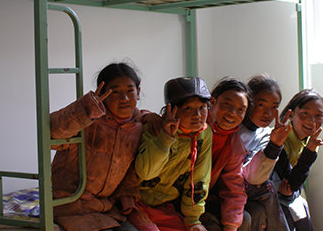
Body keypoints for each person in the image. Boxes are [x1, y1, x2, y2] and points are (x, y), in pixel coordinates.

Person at [50, 62, 160, 231]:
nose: (124, 98)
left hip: (106, 208)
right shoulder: (88, 120)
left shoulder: (139, 125)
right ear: (102, 94)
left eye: (130, 91)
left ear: (138, 92)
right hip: (67, 205)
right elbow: (52, 132)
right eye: (114, 92)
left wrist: (148, 115)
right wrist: (86, 108)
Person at [128, 77, 213, 231]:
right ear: (171, 109)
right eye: (188, 108)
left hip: (165, 206)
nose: (198, 114)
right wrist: (165, 138)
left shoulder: (204, 135)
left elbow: (200, 178)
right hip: (136, 202)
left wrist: (193, 220)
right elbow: (146, 173)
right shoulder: (155, 128)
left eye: (202, 107)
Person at [237, 74, 292, 231]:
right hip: (226, 187)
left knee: (258, 210)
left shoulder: (267, 134)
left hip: (247, 189)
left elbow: (254, 177)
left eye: (274, 107)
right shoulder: (233, 126)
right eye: (261, 105)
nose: (268, 113)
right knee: (267, 189)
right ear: (248, 101)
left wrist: (275, 145)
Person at [199, 77, 252, 231]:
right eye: (227, 104)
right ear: (213, 102)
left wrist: (231, 225)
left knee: (243, 220)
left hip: (203, 198)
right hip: (178, 196)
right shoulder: (196, 123)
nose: (232, 113)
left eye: (240, 110)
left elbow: (233, 188)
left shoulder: (234, 144)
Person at [271, 89, 323, 231]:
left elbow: (295, 183)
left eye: (318, 115)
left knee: (302, 213)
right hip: (269, 188)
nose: (311, 120)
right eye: (305, 113)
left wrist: (310, 149)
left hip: (291, 192)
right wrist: (291, 191)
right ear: (291, 114)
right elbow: (287, 182)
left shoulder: (311, 141)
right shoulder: (281, 137)